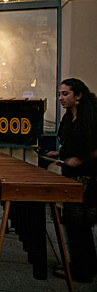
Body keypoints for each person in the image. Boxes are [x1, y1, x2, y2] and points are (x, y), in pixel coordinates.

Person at [47, 78, 97, 283]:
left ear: (79, 96)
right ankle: (84, 264)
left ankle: (82, 270)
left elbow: (92, 148)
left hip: (89, 177)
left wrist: (81, 159)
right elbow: (70, 144)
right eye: (59, 94)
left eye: (65, 94)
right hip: (72, 176)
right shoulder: (69, 118)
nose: (61, 98)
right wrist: (60, 154)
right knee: (73, 223)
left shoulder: (91, 118)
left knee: (79, 223)